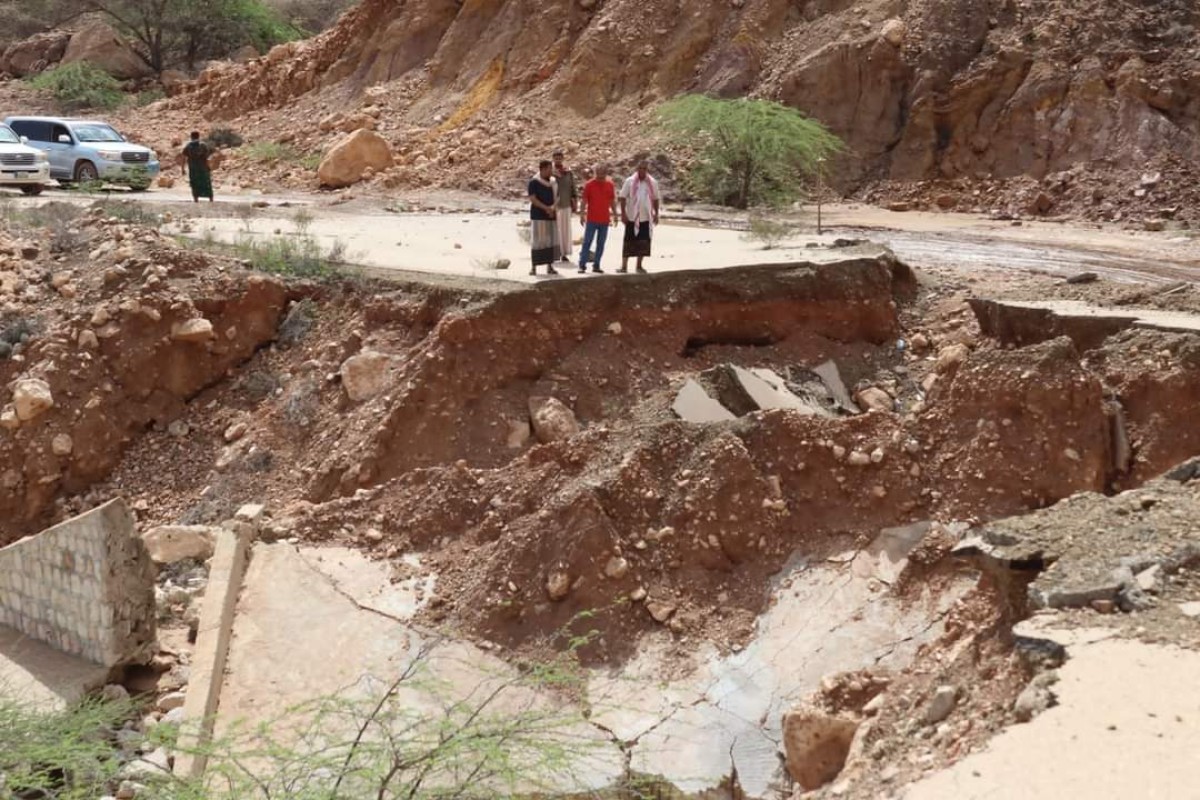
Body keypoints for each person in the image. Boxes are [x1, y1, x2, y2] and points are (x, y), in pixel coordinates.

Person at [618, 160, 660, 273]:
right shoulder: (630, 181)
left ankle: (639, 266)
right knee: (628, 241)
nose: (642, 170)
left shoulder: (652, 182)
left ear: (647, 170)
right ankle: (624, 266)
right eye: (640, 168)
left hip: (646, 217)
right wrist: (623, 213)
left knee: (644, 241)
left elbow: (656, 199)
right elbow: (622, 197)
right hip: (632, 216)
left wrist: (656, 214)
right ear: (637, 169)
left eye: (645, 169)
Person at [578, 164, 618, 274]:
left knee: (601, 243)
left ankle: (597, 264)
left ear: (606, 171)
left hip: (605, 220)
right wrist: (582, 215)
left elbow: (612, 201)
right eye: (599, 171)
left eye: (603, 171)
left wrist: (615, 214)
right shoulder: (589, 184)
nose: (601, 173)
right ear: (595, 172)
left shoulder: (610, 184)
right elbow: (584, 200)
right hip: (591, 219)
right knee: (587, 242)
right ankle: (582, 265)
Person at [527, 160, 559, 276]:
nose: (551, 171)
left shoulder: (553, 182)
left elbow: (557, 197)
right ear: (543, 169)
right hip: (538, 215)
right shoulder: (534, 182)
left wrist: (552, 208)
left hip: (550, 215)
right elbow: (533, 199)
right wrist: (546, 208)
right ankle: (534, 267)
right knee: (538, 241)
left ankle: (550, 266)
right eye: (549, 169)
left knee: (549, 241)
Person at [551, 150, 577, 263]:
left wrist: (575, 201)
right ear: (553, 159)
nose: (558, 160)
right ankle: (554, 253)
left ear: (562, 159)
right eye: (556, 158)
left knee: (565, 230)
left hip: (566, 204)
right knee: (555, 230)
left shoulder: (568, 172)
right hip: (554, 206)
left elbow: (573, 188)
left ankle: (564, 253)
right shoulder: (550, 173)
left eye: (559, 158)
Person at [179, 131, 214, 203]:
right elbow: (207, 158)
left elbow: (183, 158)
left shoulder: (188, 146)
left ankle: (196, 199)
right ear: (199, 136)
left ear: (191, 137)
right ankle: (211, 199)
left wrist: (182, 169)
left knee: (194, 184)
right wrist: (209, 167)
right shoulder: (203, 145)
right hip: (203, 168)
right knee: (206, 183)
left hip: (193, 169)